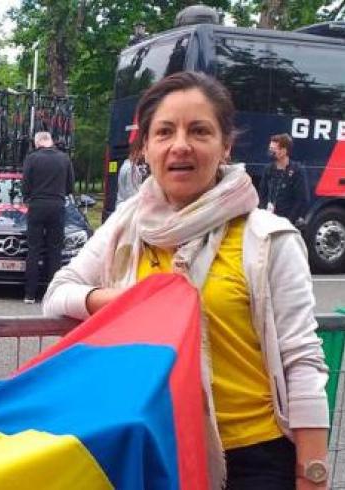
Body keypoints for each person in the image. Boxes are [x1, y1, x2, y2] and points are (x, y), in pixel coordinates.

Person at [42, 72, 329, 489]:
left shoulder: (269, 238)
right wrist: (136, 300)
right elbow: (58, 294)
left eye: (199, 131)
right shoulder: (126, 226)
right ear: (145, 148)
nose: (181, 145)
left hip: (254, 459)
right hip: (153, 451)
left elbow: (302, 360)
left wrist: (312, 473)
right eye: (164, 132)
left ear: (225, 145)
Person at [21, 131, 74, 304]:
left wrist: (28, 197)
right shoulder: (64, 158)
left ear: (37, 143)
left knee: (34, 249)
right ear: (50, 141)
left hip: (37, 205)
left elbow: (25, 185)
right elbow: (70, 186)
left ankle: (30, 294)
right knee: (55, 250)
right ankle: (52, 294)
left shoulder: (32, 159)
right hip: (57, 205)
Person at [259, 133, 309, 228]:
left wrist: (289, 220)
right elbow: (262, 194)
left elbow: (302, 199)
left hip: (287, 222)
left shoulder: (297, 170)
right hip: (268, 220)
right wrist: (264, 214)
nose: (270, 152)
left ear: (284, 151)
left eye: (274, 149)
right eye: (270, 148)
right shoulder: (268, 169)